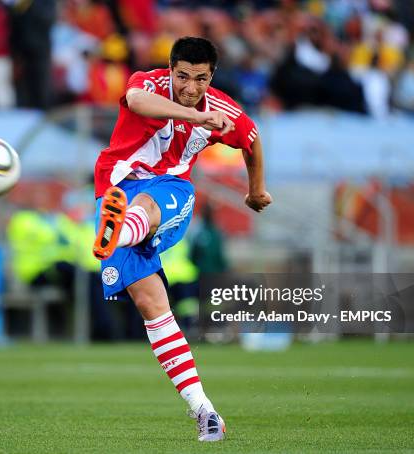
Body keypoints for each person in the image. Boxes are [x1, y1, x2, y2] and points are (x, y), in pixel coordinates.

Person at [91, 37, 272, 442]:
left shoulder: (223, 107)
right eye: (183, 76)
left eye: (200, 79)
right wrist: (194, 119)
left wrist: (256, 190)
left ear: (212, 76)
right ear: (170, 69)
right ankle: (205, 412)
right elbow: (136, 102)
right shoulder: (149, 85)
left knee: (145, 203)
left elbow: (252, 138)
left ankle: (121, 230)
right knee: (151, 305)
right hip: (115, 188)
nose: (190, 88)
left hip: (172, 191)